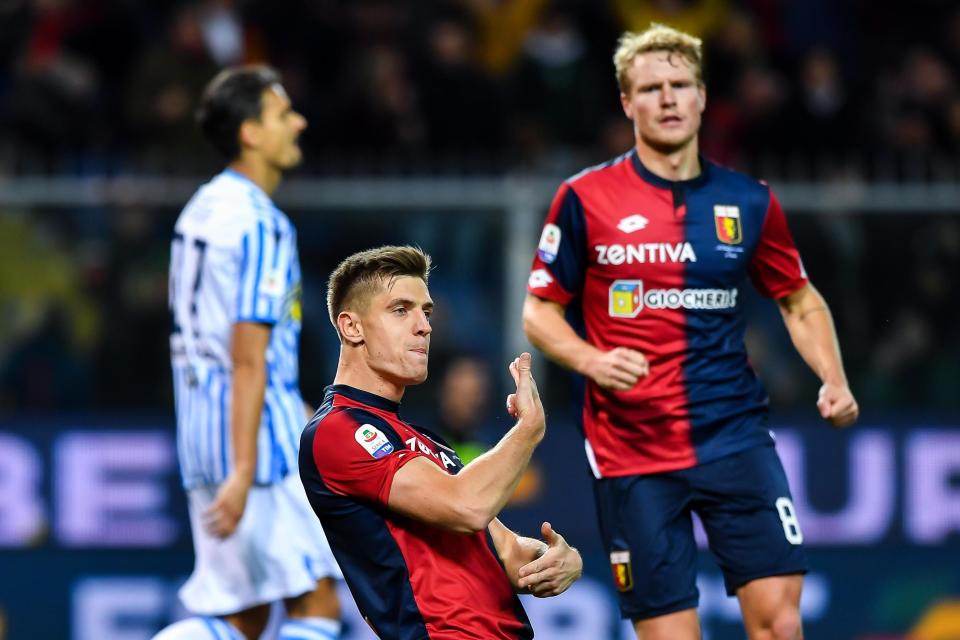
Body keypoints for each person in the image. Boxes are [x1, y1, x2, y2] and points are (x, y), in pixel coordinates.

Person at [522, 24, 859, 640]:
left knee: (782, 623)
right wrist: (592, 361)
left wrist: (833, 377)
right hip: (631, 450)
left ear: (704, 97)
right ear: (628, 104)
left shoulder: (749, 200)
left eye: (681, 84)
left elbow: (798, 298)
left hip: (735, 435)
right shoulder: (584, 198)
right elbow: (539, 310)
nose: (669, 98)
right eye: (651, 88)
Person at [299, 245, 583, 639]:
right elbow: (466, 505)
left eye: (426, 312)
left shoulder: (425, 442)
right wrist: (529, 429)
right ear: (352, 327)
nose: (424, 326)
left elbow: (505, 550)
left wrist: (557, 559)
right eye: (401, 310)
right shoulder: (337, 430)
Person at [160, 65, 342, 640]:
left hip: (201, 430)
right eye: (283, 113)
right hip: (255, 445)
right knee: (317, 605)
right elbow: (249, 356)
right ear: (251, 132)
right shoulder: (261, 225)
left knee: (247, 614)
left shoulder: (202, 208)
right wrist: (243, 470)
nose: (299, 122)